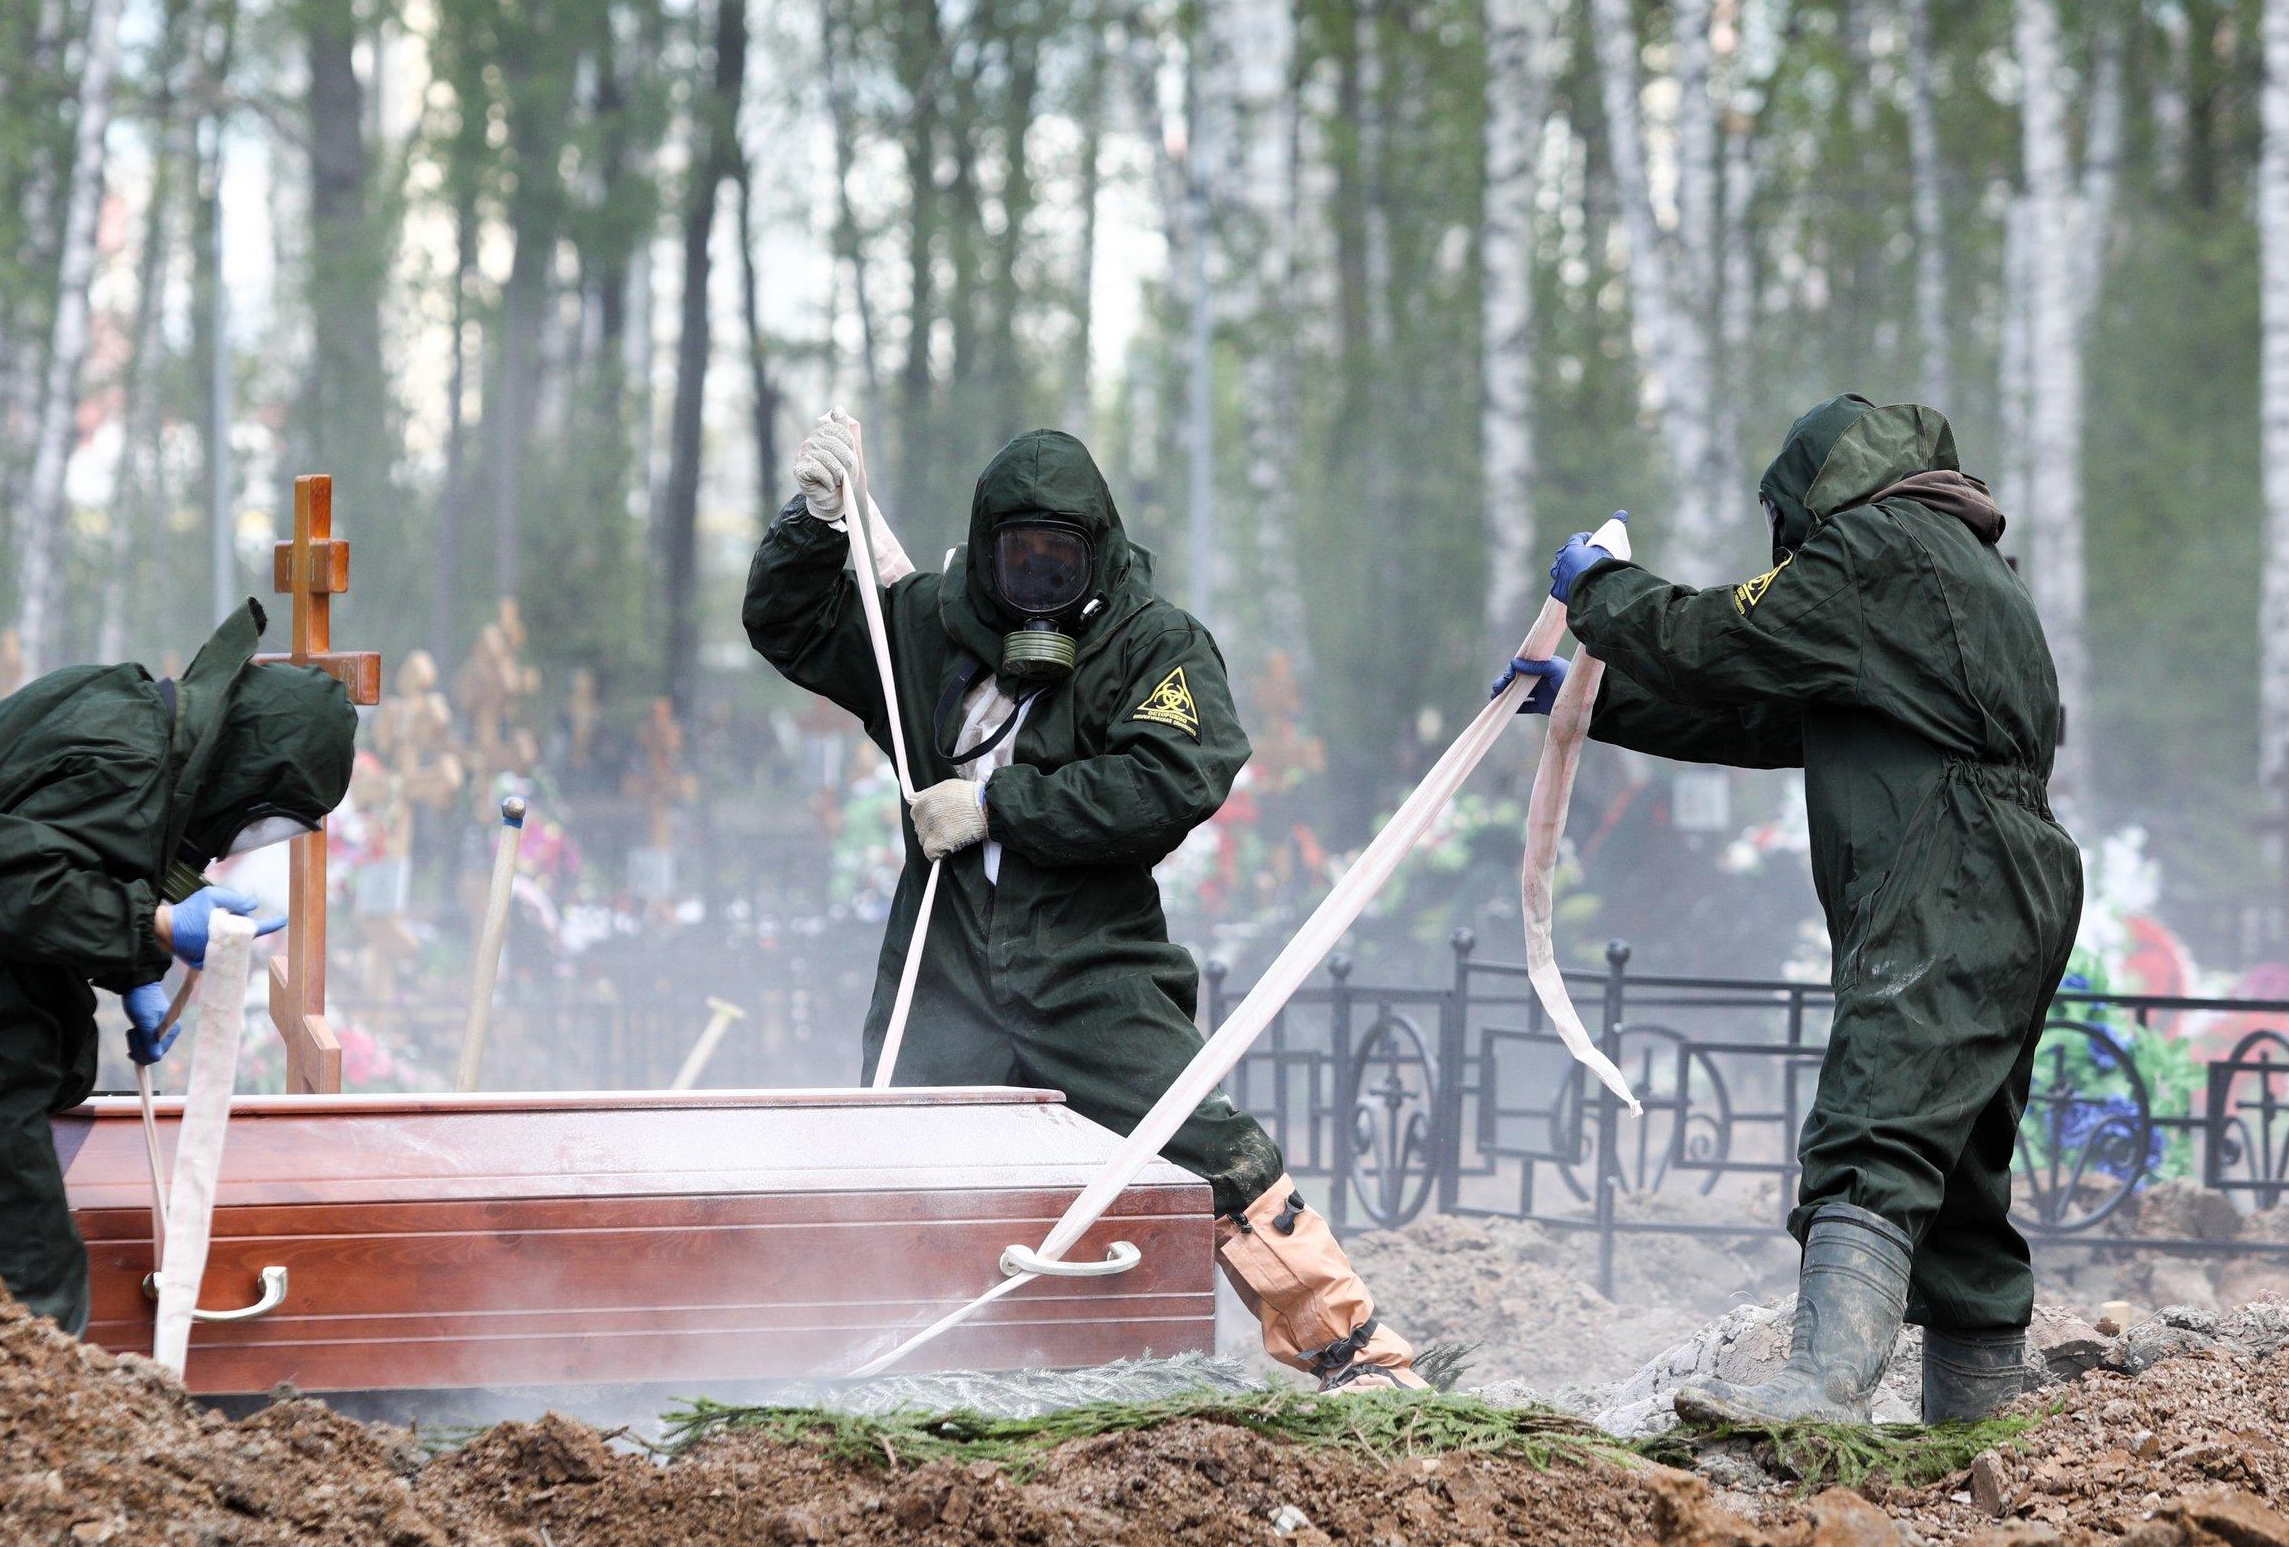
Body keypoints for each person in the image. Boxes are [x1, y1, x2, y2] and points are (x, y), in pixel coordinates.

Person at [745, 414, 1426, 1393]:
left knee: (1209, 1144)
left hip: (1091, 964)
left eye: (1057, 562)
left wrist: (995, 804)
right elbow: (793, 625)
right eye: (1016, 560)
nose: (1036, 586)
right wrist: (812, 526)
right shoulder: (926, 628)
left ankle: (1352, 1351)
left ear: (1096, 553)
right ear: (984, 555)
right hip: (945, 965)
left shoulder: (1151, 646)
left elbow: (1175, 776)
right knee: (897, 1169)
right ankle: (890, 1366)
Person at [1504, 395, 2083, 1425]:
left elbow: (1716, 634)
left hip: (1946, 870)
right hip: (2016, 875)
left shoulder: (1878, 546)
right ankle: (1982, 1422)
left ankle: (1820, 1388)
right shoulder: (1963, 567)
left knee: (1877, 1123)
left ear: (1809, 495)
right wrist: (1593, 700)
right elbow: (1781, 715)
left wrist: (1601, 590)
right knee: (1956, 1167)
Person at [0, 599, 355, 1333]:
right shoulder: (130, 755)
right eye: (269, 814)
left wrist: (135, 972)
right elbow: (12, 886)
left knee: (43, 1083)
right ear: (250, 765)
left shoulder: (126, 713)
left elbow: (70, 849)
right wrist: (155, 924)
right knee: (33, 1286)